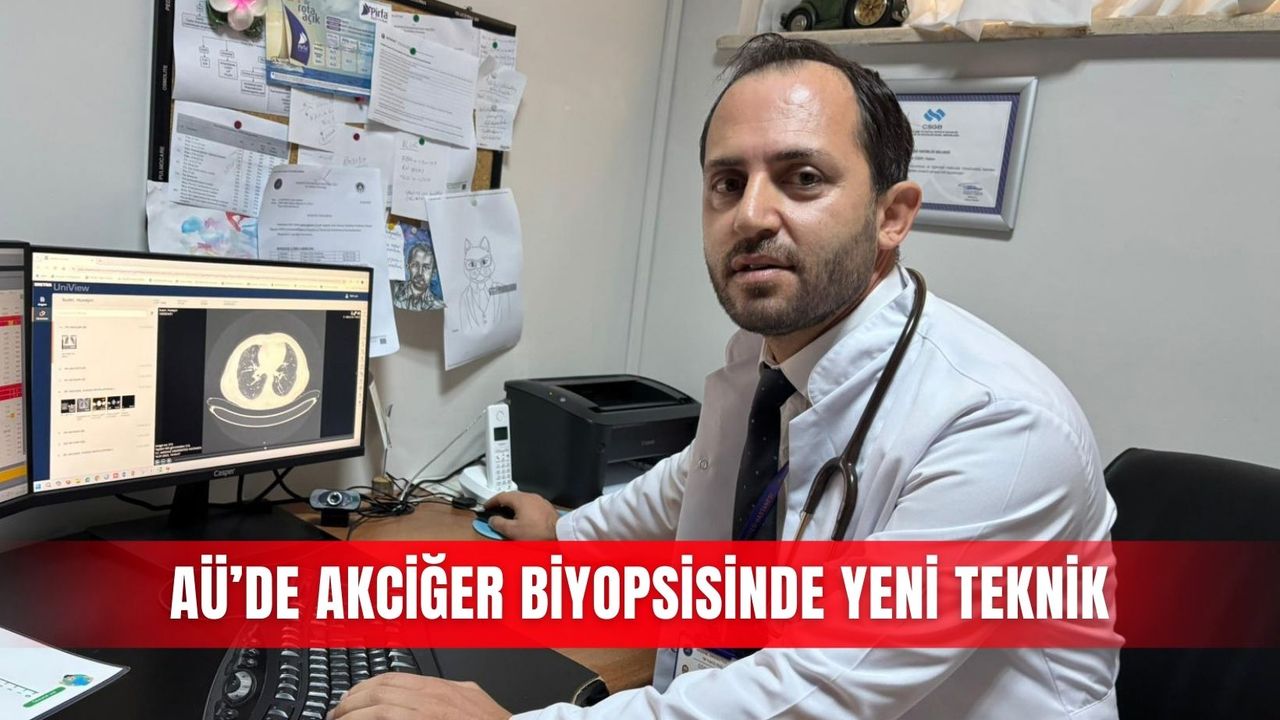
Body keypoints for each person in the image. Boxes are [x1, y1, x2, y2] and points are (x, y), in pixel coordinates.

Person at [330, 34, 1118, 720]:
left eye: (802, 178)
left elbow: (824, 685)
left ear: (893, 215)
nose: (750, 215)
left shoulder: (1000, 426)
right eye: (727, 183)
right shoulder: (765, 363)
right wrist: (562, 532)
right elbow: (690, 479)